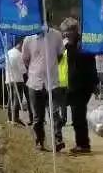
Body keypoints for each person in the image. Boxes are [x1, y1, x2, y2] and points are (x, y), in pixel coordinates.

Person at [22, 24, 64, 152]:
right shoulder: (28, 38)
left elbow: (60, 55)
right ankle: (39, 141)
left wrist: (50, 67)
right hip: (35, 83)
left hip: (53, 82)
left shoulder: (56, 35)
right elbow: (26, 59)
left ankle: (58, 140)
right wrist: (37, 69)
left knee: (55, 113)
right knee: (38, 117)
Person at [63, 18, 97, 154]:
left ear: (74, 30)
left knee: (78, 116)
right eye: (64, 32)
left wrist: (69, 47)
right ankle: (81, 143)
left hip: (82, 85)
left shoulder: (82, 44)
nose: (65, 34)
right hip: (73, 84)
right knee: (77, 115)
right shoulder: (69, 45)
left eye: (67, 31)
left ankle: (83, 145)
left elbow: (83, 61)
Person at [5, 38, 27, 123]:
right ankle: (15, 119)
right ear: (20, 44)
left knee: (10, 99)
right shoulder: (18, 54)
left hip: (8, 79)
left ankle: (9, 118)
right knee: (17, 100)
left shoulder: (8, 52)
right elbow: (23, 70)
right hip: (17, 80)